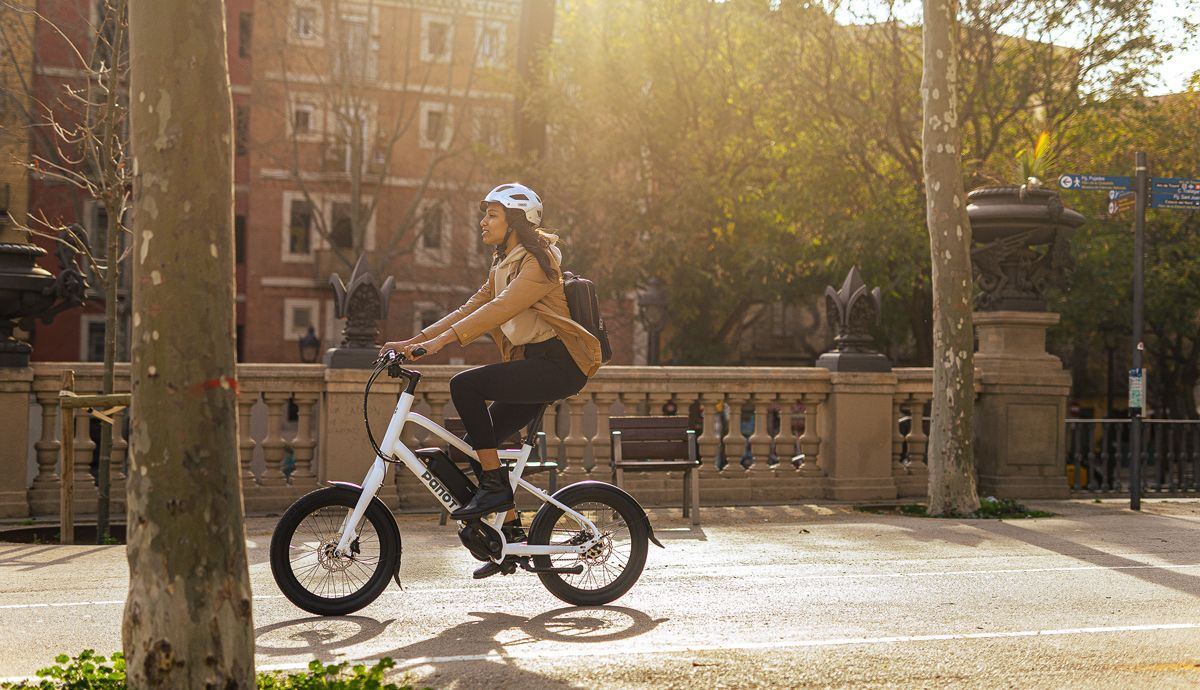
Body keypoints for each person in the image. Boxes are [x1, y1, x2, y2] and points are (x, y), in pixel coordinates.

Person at [380, 182, 603, 579]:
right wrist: (414, 341)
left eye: (491, 214)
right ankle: (511, 537)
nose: (483, 222)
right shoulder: (503, 264)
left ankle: (495, 489)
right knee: (469, 448)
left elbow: (500, 310)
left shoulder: (541, 262)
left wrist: (437, 346)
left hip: (558, 366)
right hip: (533, 364)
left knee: (465, 386)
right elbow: (470, 308)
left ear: (515, 220)